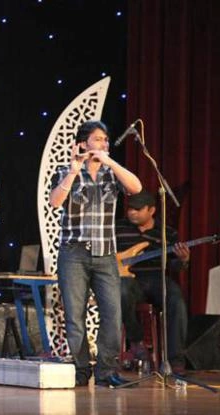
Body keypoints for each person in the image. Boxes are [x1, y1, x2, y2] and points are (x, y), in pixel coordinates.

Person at [49, 120, 142, 387]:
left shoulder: (112, 173)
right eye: (98, 139)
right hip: (73, 254)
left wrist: (109, 161)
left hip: (105, 254)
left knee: (112, 314)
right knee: (75, 315)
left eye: (105, 139)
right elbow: (55, 202)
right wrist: (73, 170)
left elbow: (136, 188)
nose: (104, 143)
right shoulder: (65, 170)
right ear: (83, 143)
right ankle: (81, 369)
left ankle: (106, 371)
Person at [117, 190, 190, 374]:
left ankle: (175, 360)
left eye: (137, 209)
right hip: (129, 280)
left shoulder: (167, 233)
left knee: (176, 300)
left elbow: (174, 265)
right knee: (121, 291)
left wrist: (183, 260)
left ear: (151, 210)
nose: (132, 212)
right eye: (130, 209)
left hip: (157, 278)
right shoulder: (117, 229)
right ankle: (136, 341)